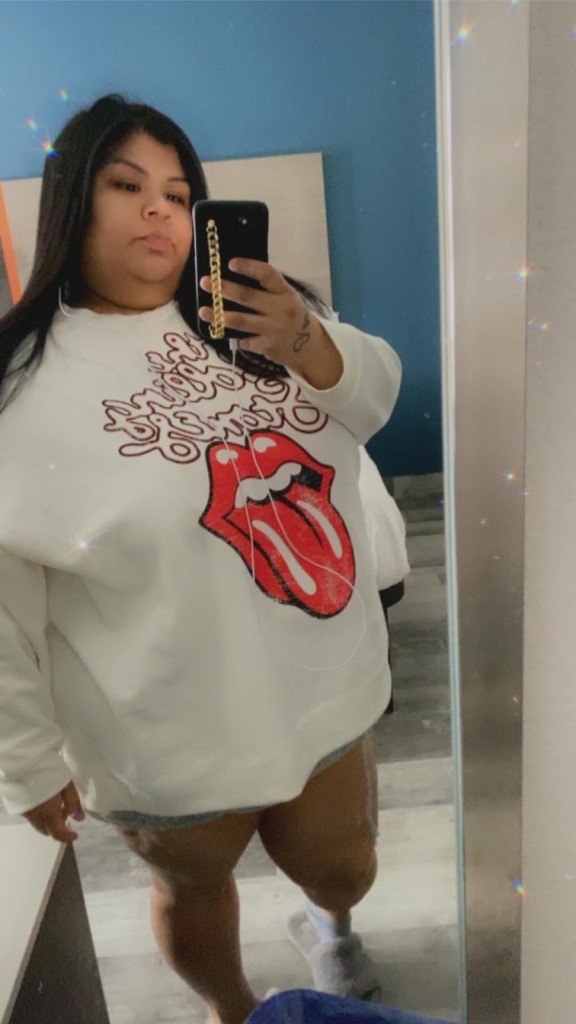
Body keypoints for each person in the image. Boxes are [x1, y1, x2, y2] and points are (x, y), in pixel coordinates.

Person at [0, 94, 402, 1024]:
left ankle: (329, 922)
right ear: (71, 203)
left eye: (180, 194)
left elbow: (372, 401)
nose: (160, 210)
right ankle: (232, 1010)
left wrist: (302, 335)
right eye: (126, 185)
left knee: (345, 866)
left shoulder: (265, 314)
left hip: (319, 674)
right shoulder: (20, 395)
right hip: (162, 722)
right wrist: (24, 760)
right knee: (192, 886)